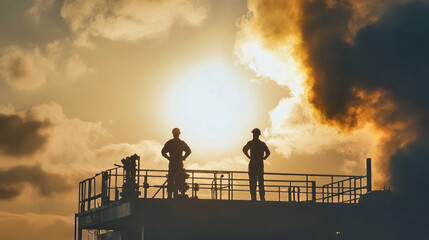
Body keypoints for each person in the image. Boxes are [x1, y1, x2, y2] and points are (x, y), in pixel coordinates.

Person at [161, 128, 191, 199]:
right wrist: (183, 157)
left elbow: (163, 152)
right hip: (178, 164)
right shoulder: (181, 143)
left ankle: (170, 196)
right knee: (177, 181)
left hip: (173, 164)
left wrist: (168, 157)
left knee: (172, 180)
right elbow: (188, 151)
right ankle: (175, 196)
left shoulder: (170, 143)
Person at [242, 128, 270, 201]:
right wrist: (264, 157)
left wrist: (249, 156)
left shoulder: (251, 143)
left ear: (254, 135)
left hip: (254, 163)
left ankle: (254, 198)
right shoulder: (261, 144)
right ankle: (261, 198)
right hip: (259, 163)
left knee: (253, 182)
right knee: (260, 182)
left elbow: (244, 149)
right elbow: (268, 152)